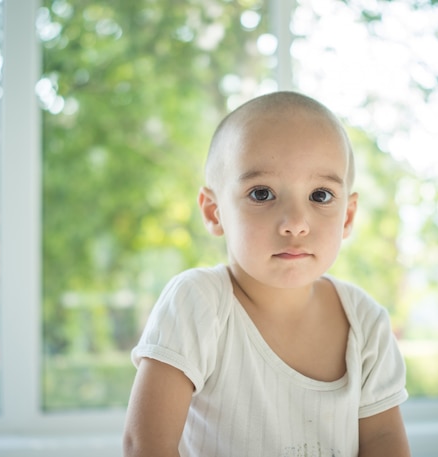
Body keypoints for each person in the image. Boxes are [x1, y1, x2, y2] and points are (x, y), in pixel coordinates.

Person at [123, 91, 411, 457]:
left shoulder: (366, 324)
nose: (294, 223)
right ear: (214, 212)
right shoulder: (197, 302)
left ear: (348, 217)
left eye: (320, 196)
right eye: (262, 193)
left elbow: (385, 443)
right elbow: (146, 445)